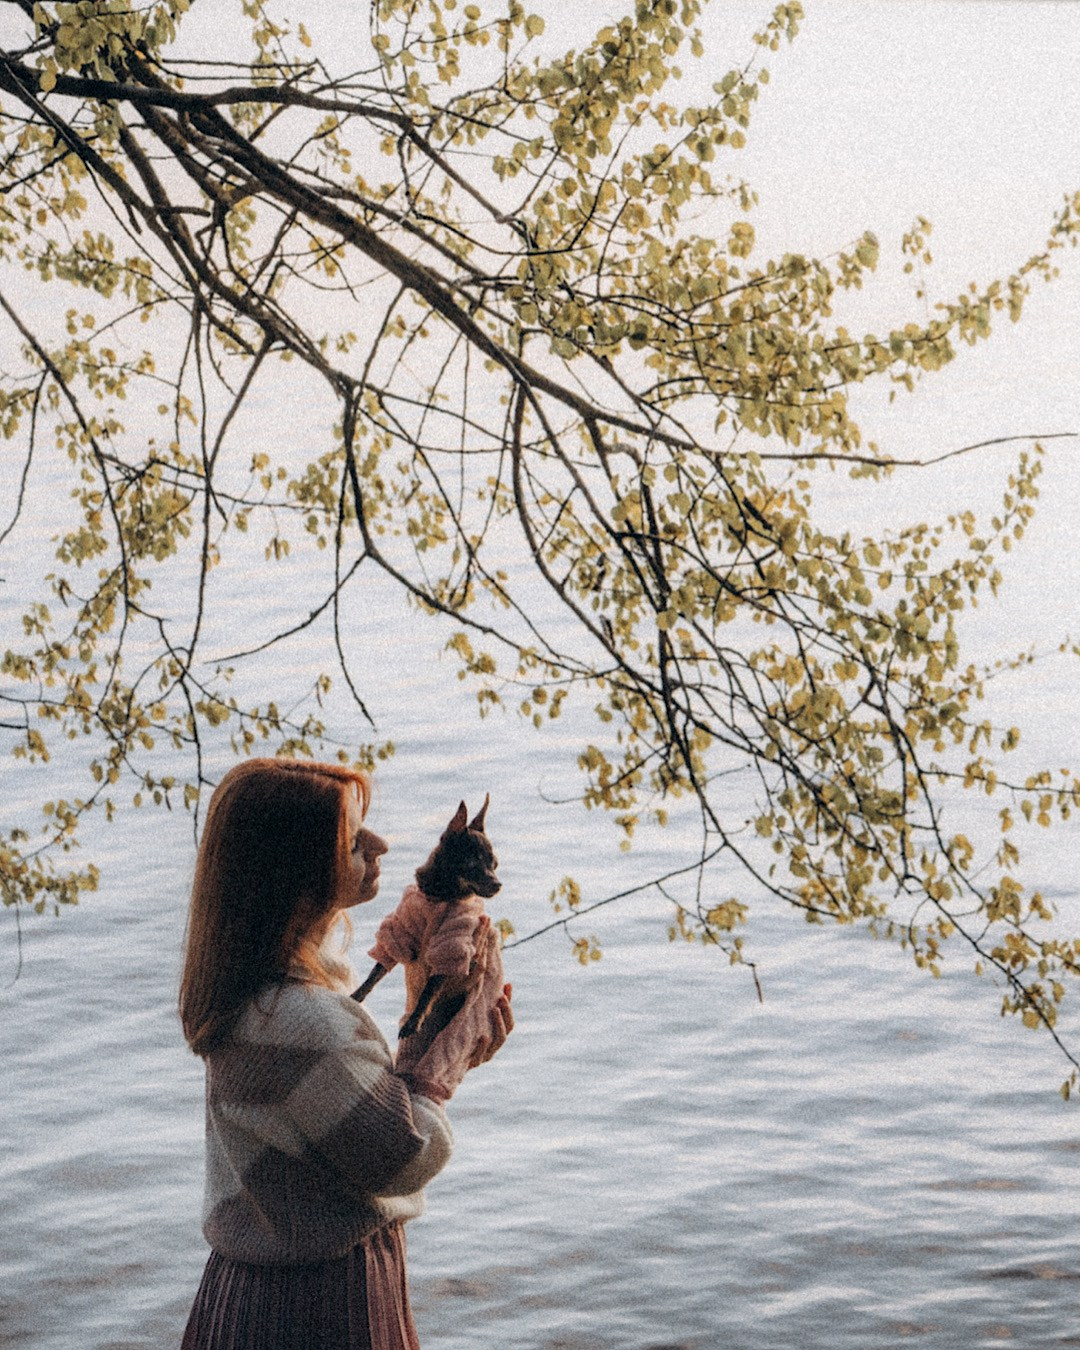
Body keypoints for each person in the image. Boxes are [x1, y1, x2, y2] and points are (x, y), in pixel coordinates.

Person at [178, 758, 513, 1350]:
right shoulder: (304, 1022)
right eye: (354, 836)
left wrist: (427, 1038)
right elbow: (402, 1153)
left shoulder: (253, 994)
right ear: (296, 869)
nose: (382, 842)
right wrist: (443, 1061)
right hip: (316, 1304)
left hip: (250, 1289)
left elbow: (346, 1128)